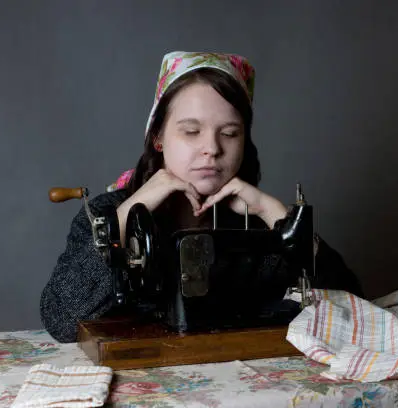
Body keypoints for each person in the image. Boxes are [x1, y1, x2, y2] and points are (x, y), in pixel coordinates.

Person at [40, 51, 364, 343]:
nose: (212, 148)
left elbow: (353, 310)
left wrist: (277, 214)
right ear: (158, 138)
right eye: (191, 131)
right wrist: (126, 217)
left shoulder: (256, 223)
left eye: (229, 133)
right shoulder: (107, 213)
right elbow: (61, 320)